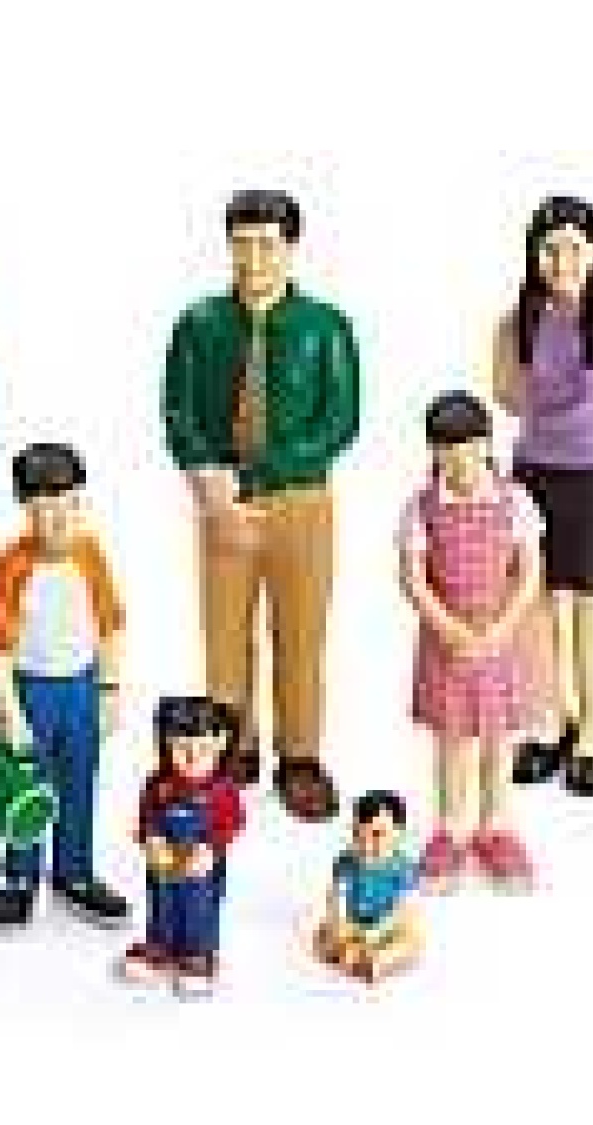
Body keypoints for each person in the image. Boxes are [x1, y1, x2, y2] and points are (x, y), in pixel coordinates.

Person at [163, 190, 360, 819]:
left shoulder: (325, 326)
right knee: (224, 634)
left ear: (291, 248)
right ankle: (230, 744)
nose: (253, 259)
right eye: (241, 244)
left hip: (301, 500)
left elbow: (340, 420)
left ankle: (300, 755)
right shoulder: (198, 325)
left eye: (267, 245)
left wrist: (270, 466)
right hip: (223, 500)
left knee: (301, 634)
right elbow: (179, 411)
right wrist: (208, 477)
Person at [493, 196, 593, 796]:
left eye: (573, 249)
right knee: (537, 604)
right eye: (549, 250)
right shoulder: (515, 324)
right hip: (535, 472)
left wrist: (584, 438)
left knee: (589, 607)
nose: (560, 261)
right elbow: (505, 393)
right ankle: (551, 720)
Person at [0, 444, 129, 929]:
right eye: (45, 507)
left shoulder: (90, 557)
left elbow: (110, 626)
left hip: (81, 688)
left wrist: (110, 689)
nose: (59, 517)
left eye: (69, 503)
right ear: (26, 508)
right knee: (25, 786)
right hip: (32, 691)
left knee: (80, 780)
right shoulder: (9, 566)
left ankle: (75, 871)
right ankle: (20, 876)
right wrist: (8, 710)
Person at [400, 392, 541, 892]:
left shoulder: (515, 500)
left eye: (466, 449)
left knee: (499, 739)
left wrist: (504, 626)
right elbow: (413, 580)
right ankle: (451, 829)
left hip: (501, 638)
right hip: (446, 643)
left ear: (485, 445)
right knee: (453, 739)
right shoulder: (421, 507)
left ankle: (495, 826)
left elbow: (528, 573)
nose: (457, 462)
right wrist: (448, 628)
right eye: (445, 451)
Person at [119, 696, 244, 997]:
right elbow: (148, 816)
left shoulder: (222, 790)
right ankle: (160, 944)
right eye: (181, 747)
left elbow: (232, 823)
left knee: (198, 906)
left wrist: (210, 849)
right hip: (164, 861)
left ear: (221, 745)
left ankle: (198, 954)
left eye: (203, 749)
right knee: (161, 901)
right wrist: (151, 839)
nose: (191, 757)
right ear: (166, 744)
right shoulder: (158, 785)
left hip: (200, 866)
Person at [314, 791, 423, 985]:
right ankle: (353, 954)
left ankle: (378, 960)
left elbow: (405, 907)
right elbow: (335, 896)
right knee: (323, 934)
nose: (366, 844)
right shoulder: (347, 862)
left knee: (411, 939)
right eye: (358, 834)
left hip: (387, 924)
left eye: (377, 834)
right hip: (352, 923)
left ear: (399, 833)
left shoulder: (402, 867)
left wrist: (387, 926)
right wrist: (336, 921)